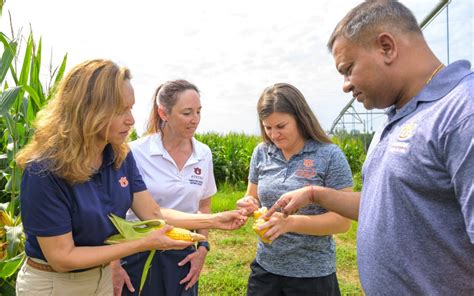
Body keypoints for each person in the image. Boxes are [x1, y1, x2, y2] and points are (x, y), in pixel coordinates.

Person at [267, 1, 474, 295]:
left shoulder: (462, 112)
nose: (345, 85)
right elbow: (384, 206)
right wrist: (315, 194)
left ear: (386, 47)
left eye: (348, 69)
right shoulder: (396, 118)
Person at [15, 59, 246, 296]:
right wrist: (144, 243)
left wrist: (214, 220)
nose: (131, 120)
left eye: (131, 108)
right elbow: (62, 258)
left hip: (101, 278)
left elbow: (153, 213)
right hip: (55, 284)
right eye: (120, 111)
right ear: (88, 110)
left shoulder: (119, 156)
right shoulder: (43, 170)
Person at [236, 83, 353, 296]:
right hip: (266, 269)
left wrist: (290, 223)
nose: (274, 135)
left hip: (312, 275)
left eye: (281, 126)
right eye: (267, 127)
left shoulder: (329, 155)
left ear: (301, 118)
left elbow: (342, 221)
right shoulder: (262, 153)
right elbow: (252, 197)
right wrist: (249, 205)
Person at [113, 80, 216, 296]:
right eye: (187, 113)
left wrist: (202, 249)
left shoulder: (204, 154)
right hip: (138, 253)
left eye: (198, 111)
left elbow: (204, 205)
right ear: (163, 112)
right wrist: (114, 263)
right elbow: (114, 211)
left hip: (182, 253)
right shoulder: (134, 152)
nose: (195, 119)